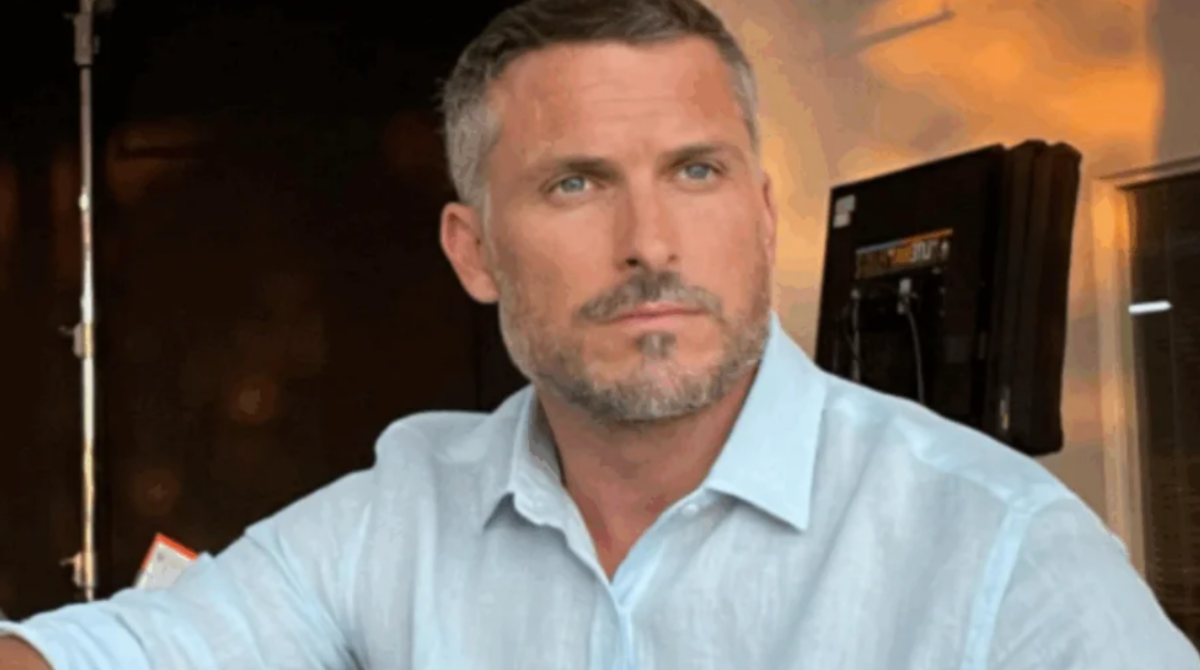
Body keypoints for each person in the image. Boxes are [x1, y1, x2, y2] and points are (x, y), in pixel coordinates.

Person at [2, 0, 1197, 667]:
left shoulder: (999, 550)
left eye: (695, 171)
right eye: (575, 183)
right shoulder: (402, 514)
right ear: (473, 251)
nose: (650, 242)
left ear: (764, 213)